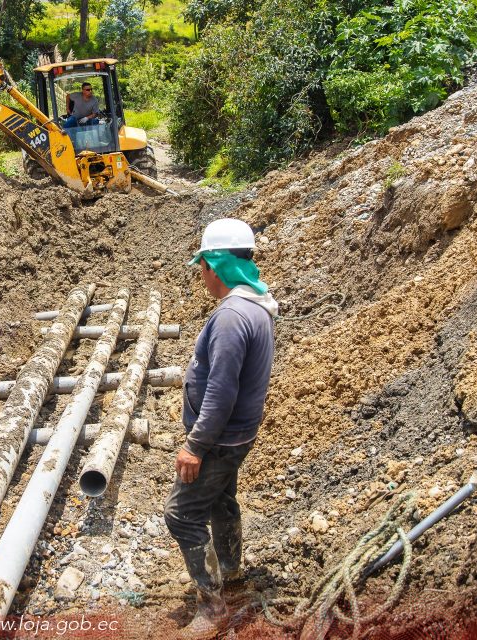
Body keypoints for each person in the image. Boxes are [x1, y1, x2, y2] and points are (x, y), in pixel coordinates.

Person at [164, 218, 278, 638]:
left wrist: (194, 445)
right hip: (238, 435)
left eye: (204, 265)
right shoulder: (256, 304)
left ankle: (213, 608)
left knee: (180, 514)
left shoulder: (232, 317)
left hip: (219, 439)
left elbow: (221, 391)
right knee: (220, 499)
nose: (201, 275)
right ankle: (231, 570)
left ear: (217, 266)